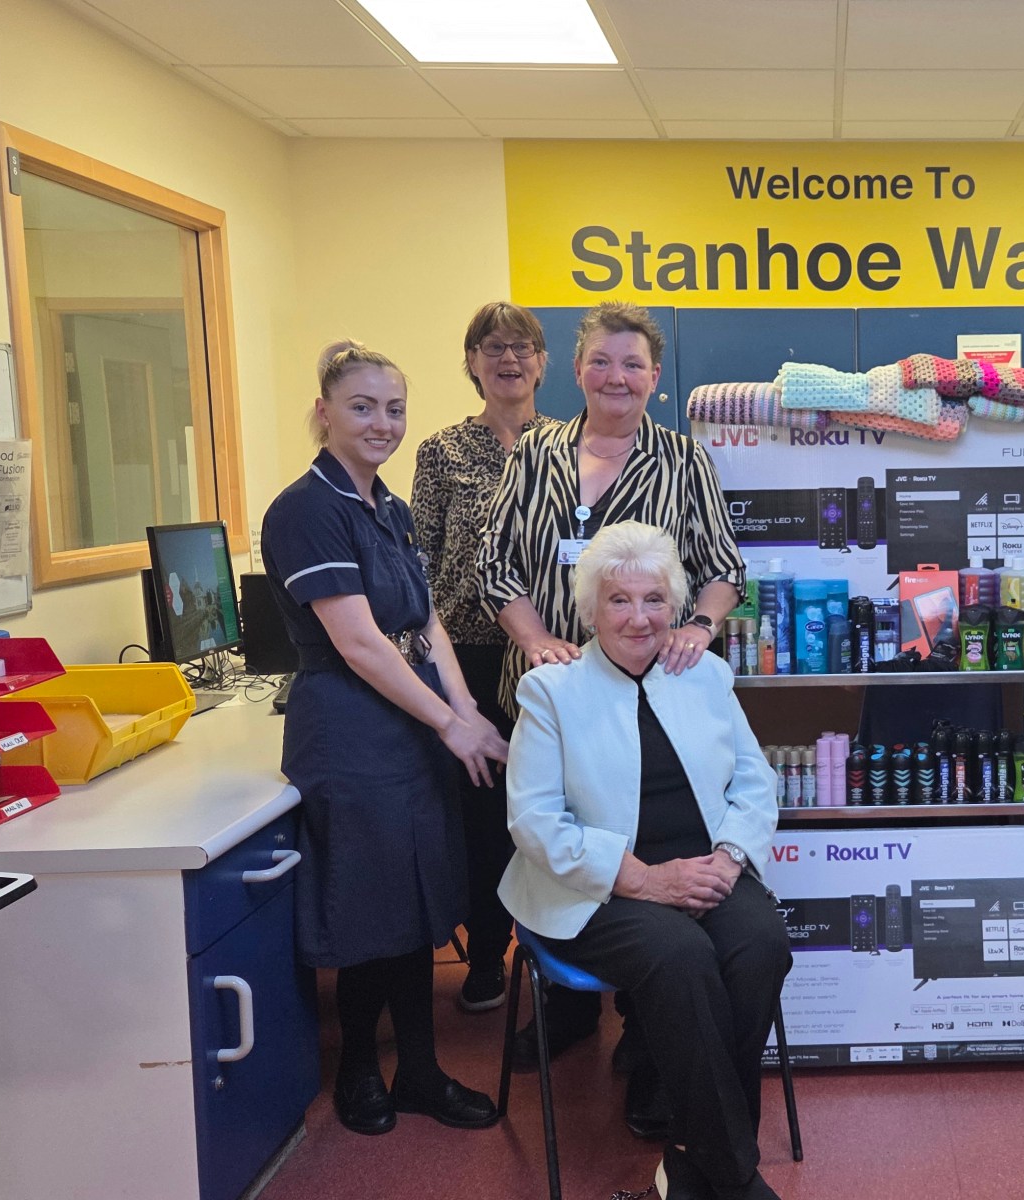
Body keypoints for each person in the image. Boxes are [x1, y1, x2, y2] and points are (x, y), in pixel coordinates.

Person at [477, 299, 746, 1125]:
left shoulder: (681, 460)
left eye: (633, 364)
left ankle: (652, 1029)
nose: (616, 377)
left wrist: (699, 626)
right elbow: (496, 569)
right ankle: (565, 1014)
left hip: (648, 685)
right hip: (560, 694)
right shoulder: (537, 455)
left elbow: (721, 565)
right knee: (563, 836)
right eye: (602, 361)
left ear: (655, 379)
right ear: (579, 367)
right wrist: (537, 643)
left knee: (651, 830)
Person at [260, 340, 510, 1136]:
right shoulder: (306, 510)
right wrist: (447, 721)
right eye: (362, 406)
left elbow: (426, 622)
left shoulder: (390, 508)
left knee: (413, 900)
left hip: (411, 722)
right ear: (324, 412)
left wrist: (465, 711)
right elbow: (361, 643)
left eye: (394, 408)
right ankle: (362, 1070)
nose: (381, 422)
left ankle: (423, 1072)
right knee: (368, 904)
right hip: (350, 728)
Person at [501, 521, 790, 1200]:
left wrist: (731, 854)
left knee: (760, 942)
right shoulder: (551, 693)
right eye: (619, 601)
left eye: (654, 599)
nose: (639, 618)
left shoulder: (706, 675)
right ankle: (734, 1176)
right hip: (594, 885)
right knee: (679, 954)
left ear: (676, 605)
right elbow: (534, 822)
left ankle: (695, 1155)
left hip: (704, 864)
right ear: (590, 610)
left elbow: (755, 782)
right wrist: (640, 877)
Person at [412, 301, 552, 1014]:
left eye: (522, 347)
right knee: (483, 815)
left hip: (552, 660)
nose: (509, 359)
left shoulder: (569, 444)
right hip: (468, 657)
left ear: (542, 362)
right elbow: (419, 570)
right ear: (471, 362)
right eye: (493, 347)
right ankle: (490, 954)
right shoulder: (441, 452)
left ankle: (558, 954)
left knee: (555, 805)